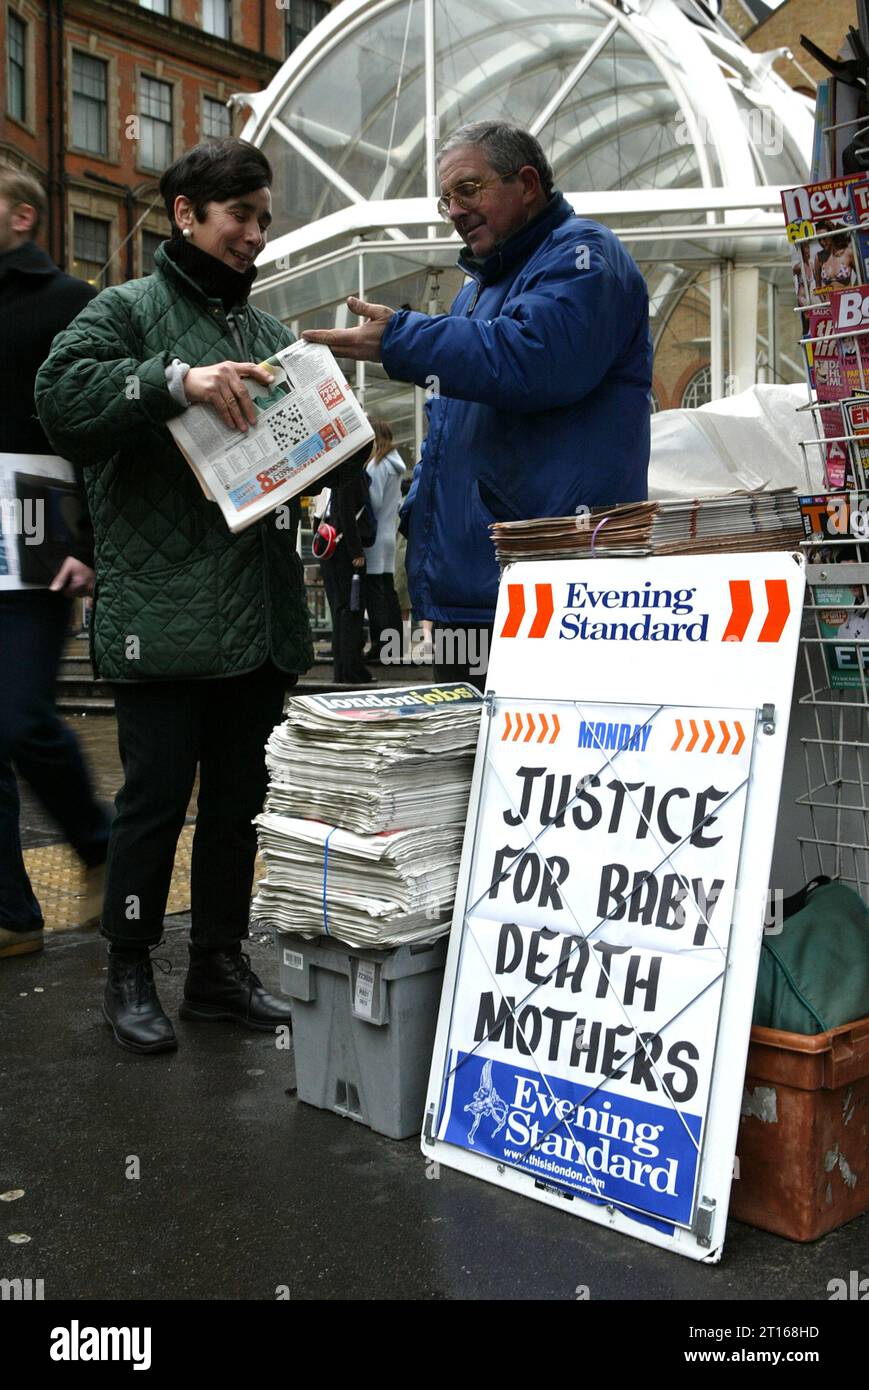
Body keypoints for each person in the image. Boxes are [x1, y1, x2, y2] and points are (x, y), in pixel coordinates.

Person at [34, 139, 340, 1054]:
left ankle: (216, 967)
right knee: (155, 799)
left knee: (241, 801)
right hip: (162, 613)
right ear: (185, 214)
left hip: (258, 613)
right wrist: (174, 381)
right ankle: (129, 966)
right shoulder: (124, 309)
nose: (252, 234)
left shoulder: (265, 333)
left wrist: (335, 434)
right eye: (238, 215)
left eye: (261, 219)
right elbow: (62, 400)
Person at [304, 121, 653, 685]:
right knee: (472, 766)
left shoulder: (587, 255)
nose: (455, 210)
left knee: (539, 761)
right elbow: (454, 427)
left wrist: (400, 339)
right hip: (474, 592)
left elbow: (534, 359)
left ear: (528, 182)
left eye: (468, 189)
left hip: (556, 592)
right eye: (447, 199)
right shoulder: (475, 291)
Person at [0, 163, 110, 961]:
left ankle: (100, 844)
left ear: (22, 218)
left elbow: (104, 434)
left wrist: (89, 543)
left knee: (20, 718)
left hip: (39, 537)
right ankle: (12, 915)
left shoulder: (69, 301)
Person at [318, 457, 374, 685]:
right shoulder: (351, 474)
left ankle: (342, 669)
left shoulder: (333, 472)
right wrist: (356, 552)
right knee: (353, 610)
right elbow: (348, 515)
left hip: (331, 551)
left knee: (341, 610)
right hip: (347, 553)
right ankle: (353, 668)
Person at [362, 418, 405, 664]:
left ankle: (380, 645)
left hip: (376, 535)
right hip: (390, 531)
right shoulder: (395, 464)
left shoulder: (377, 465)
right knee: (388, 591)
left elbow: (374, 501)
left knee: (375, 592)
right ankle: (395, 643)